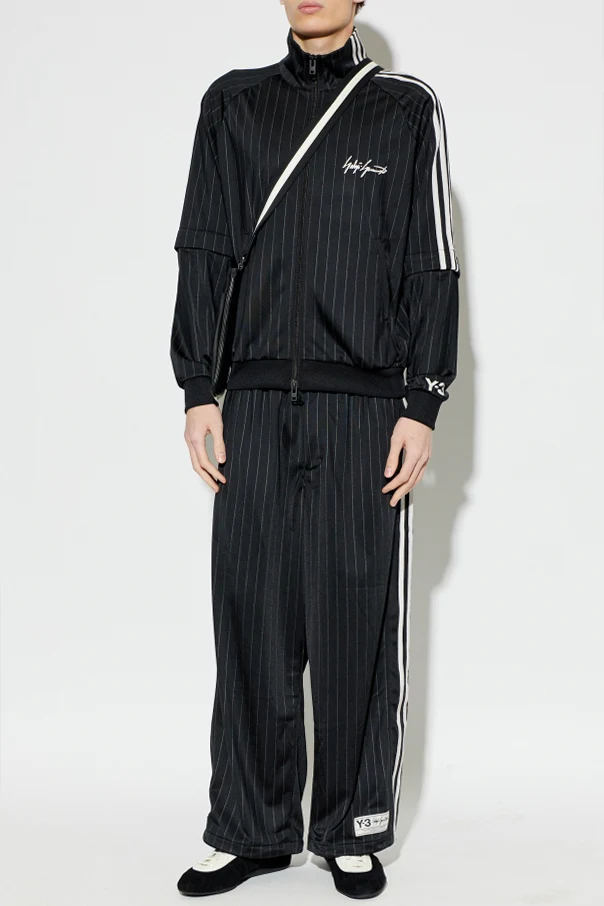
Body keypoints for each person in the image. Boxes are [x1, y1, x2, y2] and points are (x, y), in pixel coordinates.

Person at [170, 0, 459, 898]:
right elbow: (203, 245)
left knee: (355, 620)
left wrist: (423, 398)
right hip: (253, 405)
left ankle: (351, 824)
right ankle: (250, 828)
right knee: (249, 616)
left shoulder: (403, 109)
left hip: (364, 411)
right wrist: (198, 386)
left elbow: (431, 258)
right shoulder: (233, 104)